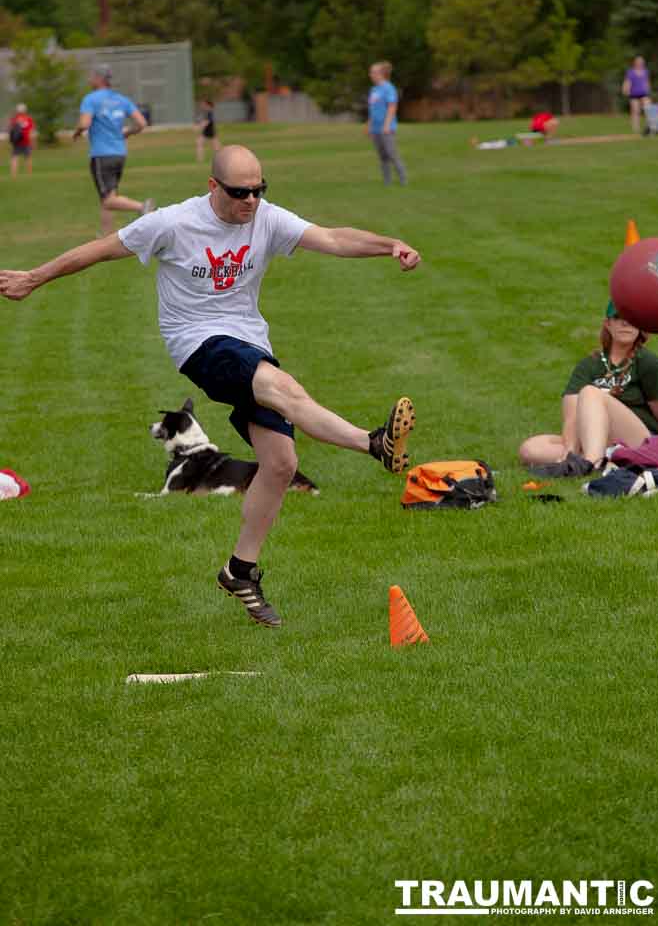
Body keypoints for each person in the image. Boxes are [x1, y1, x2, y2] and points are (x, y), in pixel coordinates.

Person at [0, 145, 421, 628]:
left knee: (281, 464)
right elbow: (96, 251)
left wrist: (390, 244)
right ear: (213, 186)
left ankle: (239, 571)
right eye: (240, 192)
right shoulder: (172, 223)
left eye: (258, 190)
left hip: (250, 342)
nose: (250, 201)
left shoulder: (265, 217)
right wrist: (33, 277)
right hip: (199, 343)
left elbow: (331, 237)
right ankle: (374, 444)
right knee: (284, 389)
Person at [519, 301, 658, 477]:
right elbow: (571, 416)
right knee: (531, 448)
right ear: (608, 324)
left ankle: (590, 463)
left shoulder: (649, 363)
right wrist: (569, 452)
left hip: (641, 442)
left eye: (631, 319)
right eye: (618, 318)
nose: (625, 323)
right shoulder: (589, 365)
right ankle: (602, 460)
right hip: (598, 440)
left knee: (590, 393)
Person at [73, 64, 154, 236]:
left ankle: (142, 207)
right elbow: (142, 123)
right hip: (119, 153)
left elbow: (85, 123)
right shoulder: (121, 99)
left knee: (109, 200)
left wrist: (77, 132)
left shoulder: (91, 99)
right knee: (109, 196)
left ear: (98, 79)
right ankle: (107, 235)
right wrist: (127, 133)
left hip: (101, 155)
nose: (89, 79)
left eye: (91, 76)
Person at [367, 61, 407, 186]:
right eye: (370, 72)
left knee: (392, 154)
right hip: (375, 129)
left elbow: (392, 107)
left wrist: (387, 125)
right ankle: (387, 182)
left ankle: (403, 179)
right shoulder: (373, 89)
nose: (370, 74)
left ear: (381, 74)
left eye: (373, 72)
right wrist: (369, 126)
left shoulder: (389, 88)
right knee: (382, 156)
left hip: (386, 128)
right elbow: (372, 109)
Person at [622, 56, 651, 135]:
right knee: (635, 111)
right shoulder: (631, 72)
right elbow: (627, 81)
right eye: (638, 62)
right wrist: (625, 89)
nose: (640, 63)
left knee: (648, 109)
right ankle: (636, 128)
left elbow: (647, 81)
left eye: (641, 62)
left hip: (644, 94)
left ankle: (649, 126)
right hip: (634, 94)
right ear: (635, 62)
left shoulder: (646, 71)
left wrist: (648, 89)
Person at [8, 103, 34, 178]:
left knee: (15, 157)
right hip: (26, 141)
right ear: (25, 110)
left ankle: (13, 175)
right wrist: (32, 141)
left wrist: (11, 140)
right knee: (28, 157)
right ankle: (29, 174)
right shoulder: (28, 119)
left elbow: (11, 130)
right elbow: (31, 131)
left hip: (17, 141)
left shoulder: (14, 119)